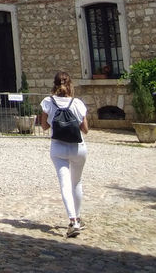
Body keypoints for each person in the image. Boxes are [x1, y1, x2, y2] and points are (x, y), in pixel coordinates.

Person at [37, 71, 89, 237]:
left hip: (58, 148)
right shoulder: (77, 103)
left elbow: (44, 126)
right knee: (77, 183)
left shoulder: (47, 102)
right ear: (70, 84)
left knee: (65, 184)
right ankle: (78, 218)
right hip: (78, 148)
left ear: (54, 84)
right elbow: (85, 130)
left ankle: (72, 220)